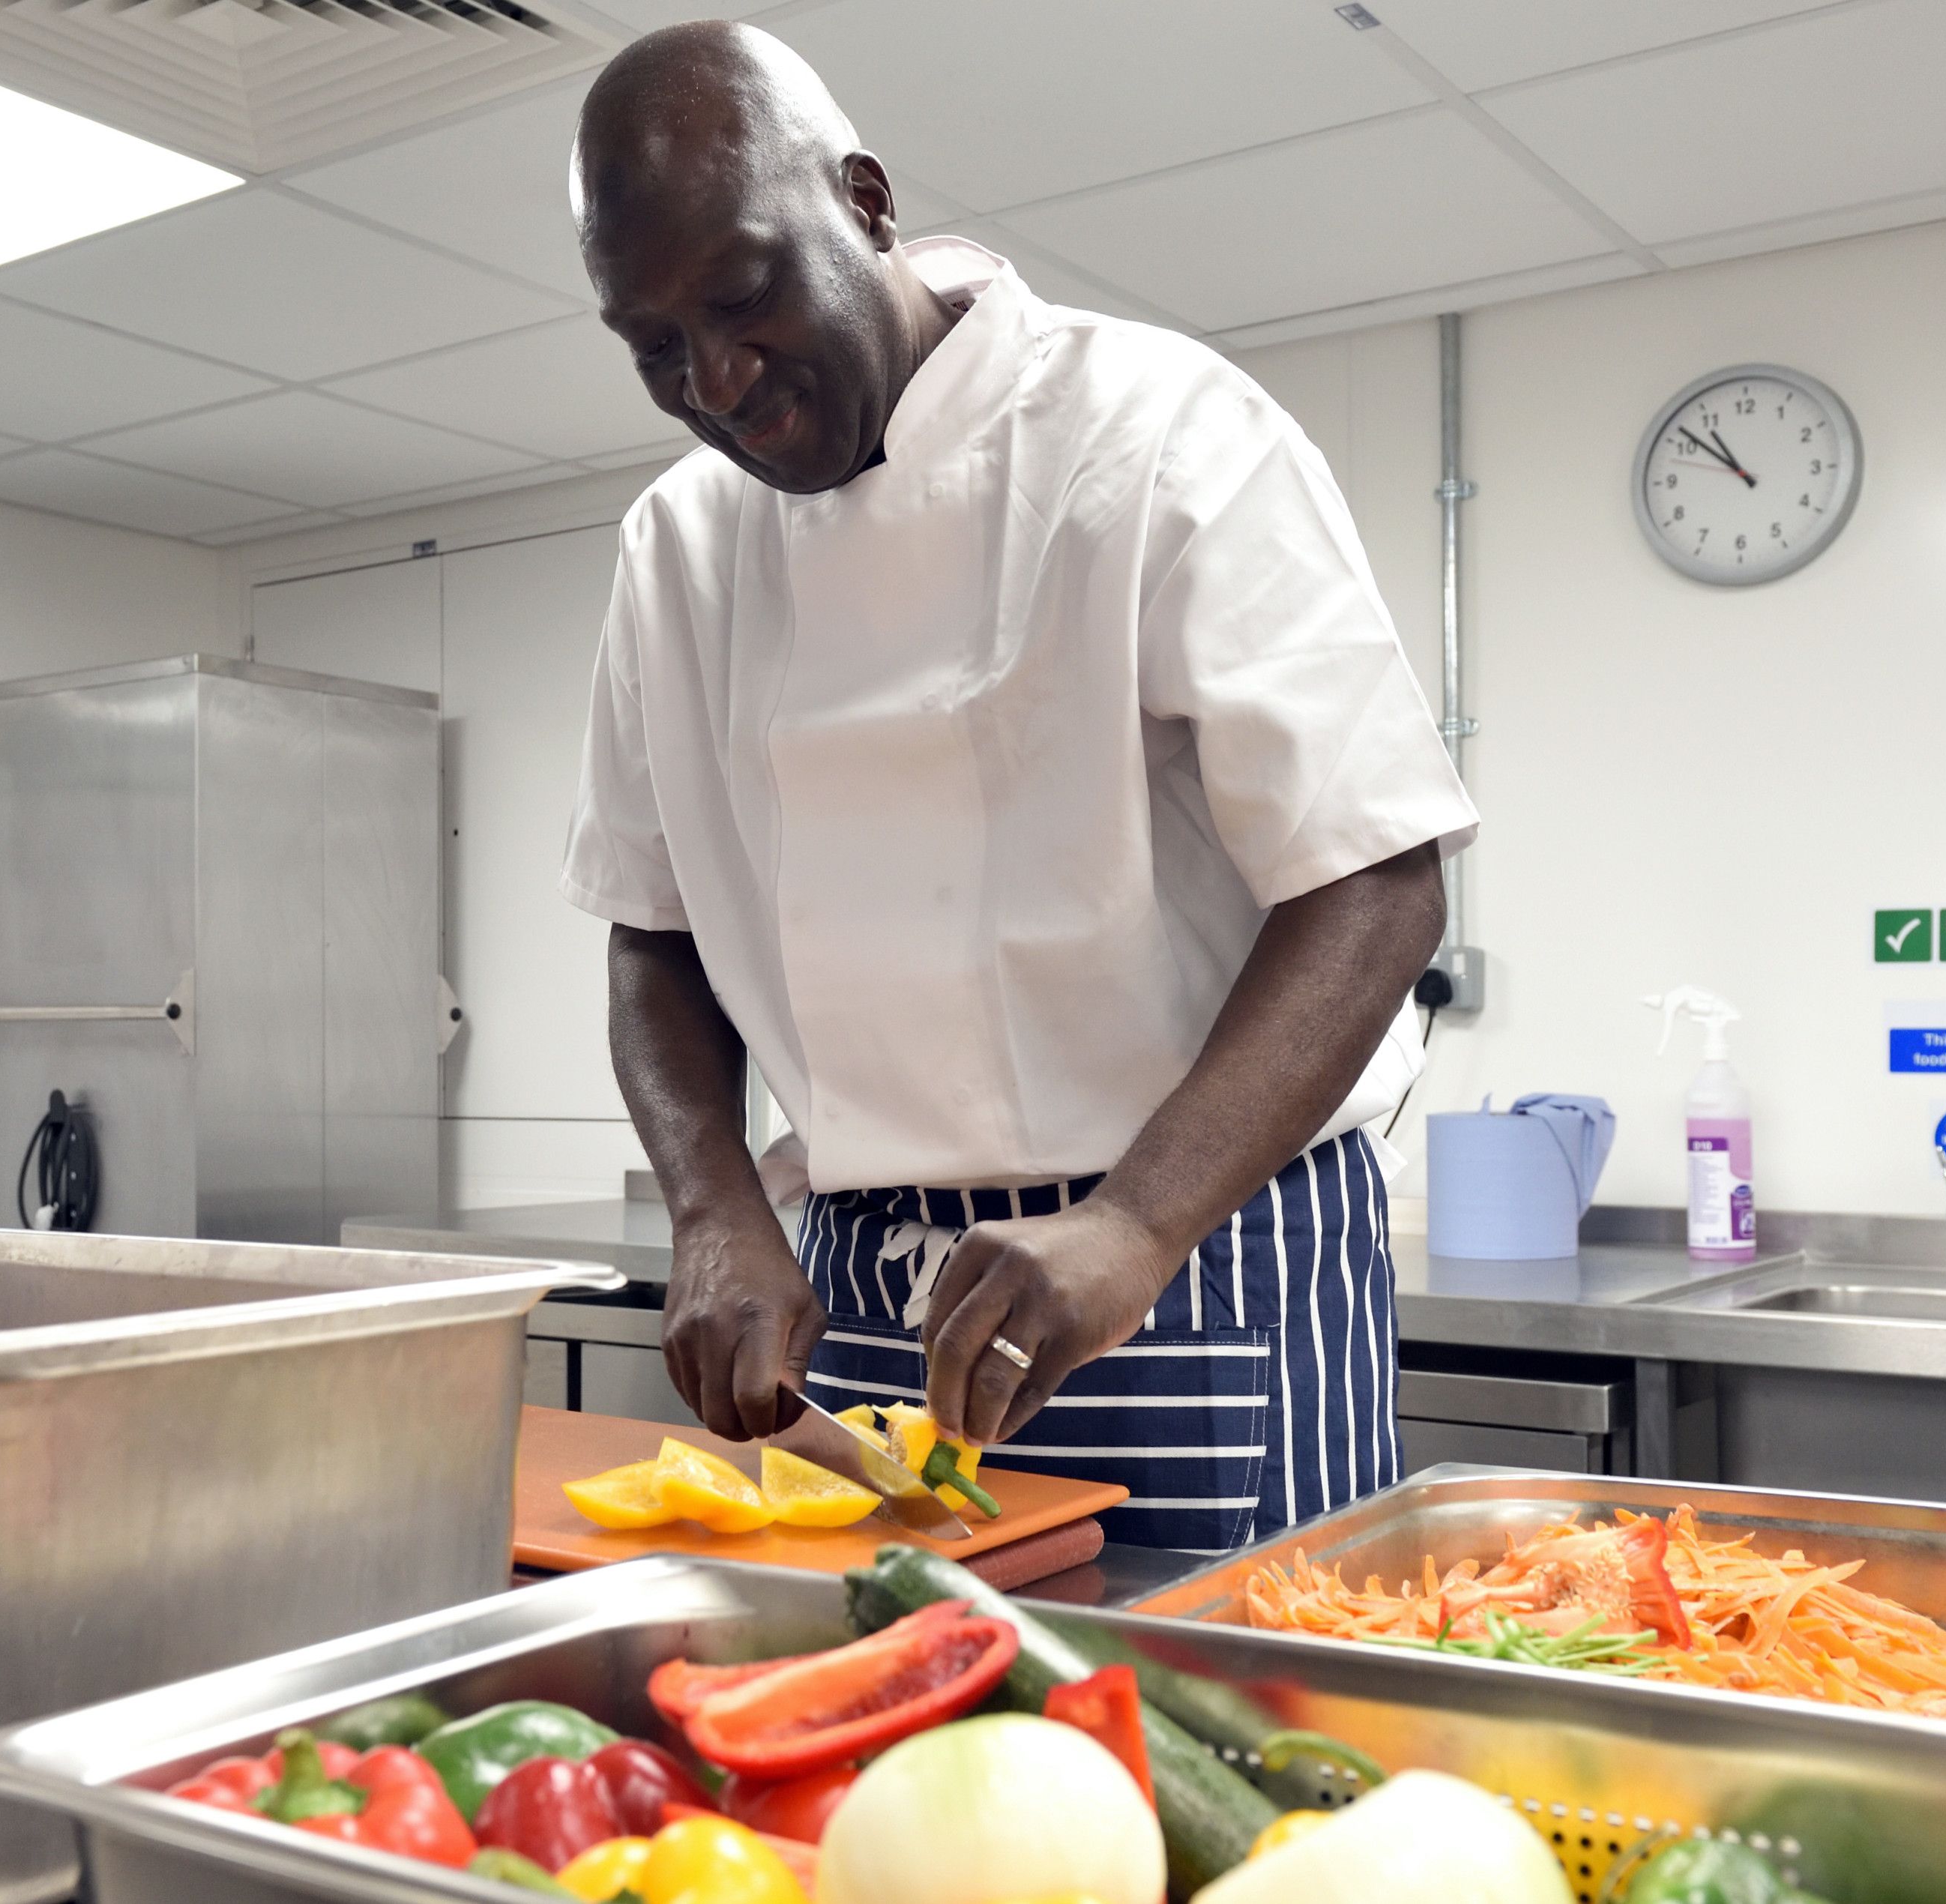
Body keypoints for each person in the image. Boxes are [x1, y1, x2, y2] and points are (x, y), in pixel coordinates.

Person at [558, 23, 1476, 1550]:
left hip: (1198, 1251)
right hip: (858, 1292)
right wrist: (714, 1208)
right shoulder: (674, 551)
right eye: (652, 348)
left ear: (859, 199)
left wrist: (1134, 1221)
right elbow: (651, 933)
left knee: (1242, 1745)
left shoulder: (1160, 430)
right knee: (902, 1750)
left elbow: (1372, 877)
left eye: (740, 297)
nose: (716, 381)